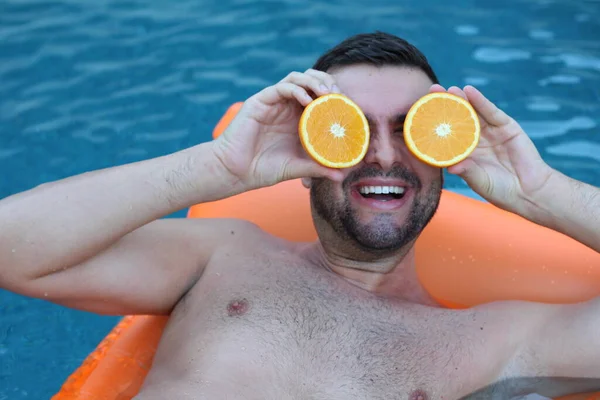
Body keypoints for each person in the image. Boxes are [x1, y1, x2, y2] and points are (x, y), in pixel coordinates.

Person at [0, 31, 599, 400]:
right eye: (350, 130)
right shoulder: (222, 258)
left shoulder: (493, 341)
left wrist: (541, 190)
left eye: (409, 131)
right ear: (313, 145)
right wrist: (217, 168)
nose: (384, 156)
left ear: (446, 151)